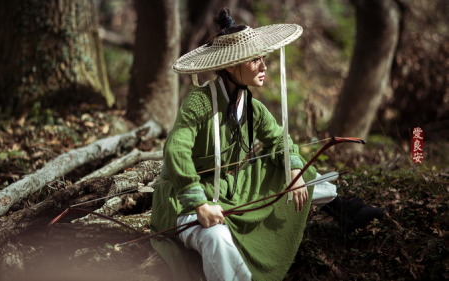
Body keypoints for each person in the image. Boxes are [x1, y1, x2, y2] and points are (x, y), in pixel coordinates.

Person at [150, 8, 383, 281]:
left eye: (263, 59)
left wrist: (294, 172)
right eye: (255, 60)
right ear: (230, 66)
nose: (264, 67)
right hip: (184, 200)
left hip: (227, 189)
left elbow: (279, 140)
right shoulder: (199, 102)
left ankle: (342, 207)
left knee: (293, 168)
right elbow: (176, 149)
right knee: (217, 237)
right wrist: (198, 202)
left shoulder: (253, 108)